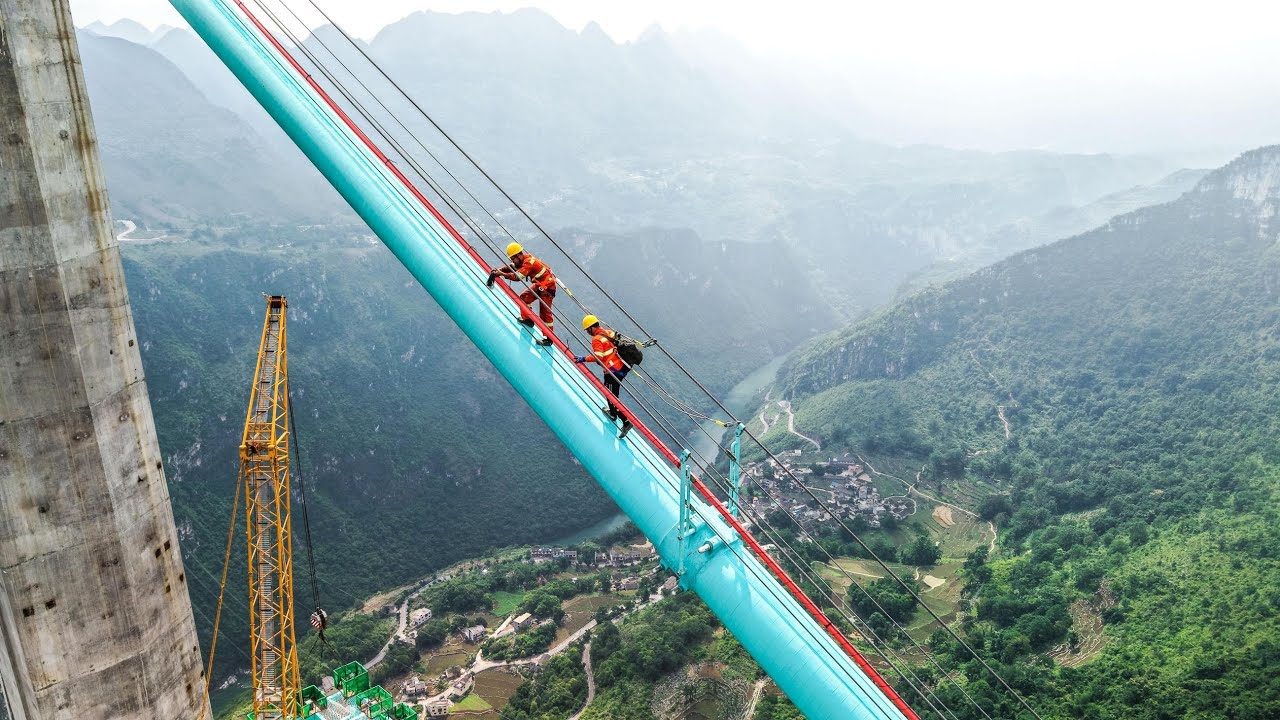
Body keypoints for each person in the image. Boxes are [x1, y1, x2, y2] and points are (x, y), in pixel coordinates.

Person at [573, 314, 633, 439]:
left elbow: (598, 357)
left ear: (591, 328)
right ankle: (613, 413)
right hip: (622, 367)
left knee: (611, 396)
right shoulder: (609, 333)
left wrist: (583, 359)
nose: (588, 333)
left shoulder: (596, 339)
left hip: (612, 371)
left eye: (587, 330)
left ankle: (625, 421)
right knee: (610, 393)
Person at [487, 242, 557, 346]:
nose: (512, 261)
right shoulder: (523, 260)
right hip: (540, 285)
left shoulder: (528, 263)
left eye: (512, 258)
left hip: (547, 289)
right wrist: (499, 270)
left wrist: (501, 274)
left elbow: (517, 277)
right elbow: (511, 267)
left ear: (518, 256)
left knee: (545, 313)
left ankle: (549, 339)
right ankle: (528, 319)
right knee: (524, 298)